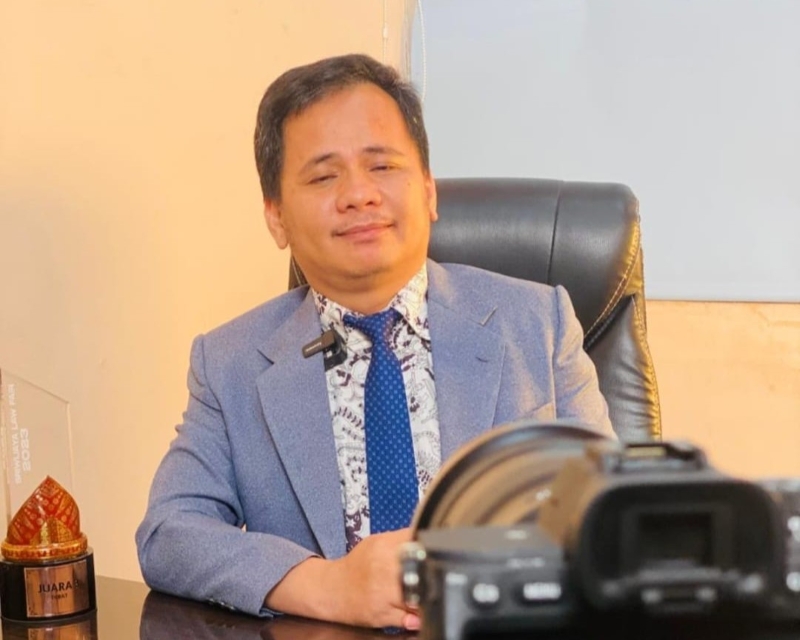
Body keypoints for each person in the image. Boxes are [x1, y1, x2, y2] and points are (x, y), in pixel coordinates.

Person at [135, 53, 612, 631]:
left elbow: (608, 517)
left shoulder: (537, 323)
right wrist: (324, 585)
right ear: (276, 217)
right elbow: (169, 533)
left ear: (429, 191)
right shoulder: (230, 362)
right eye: (323, 176)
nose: (359, 194)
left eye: (382, 166)